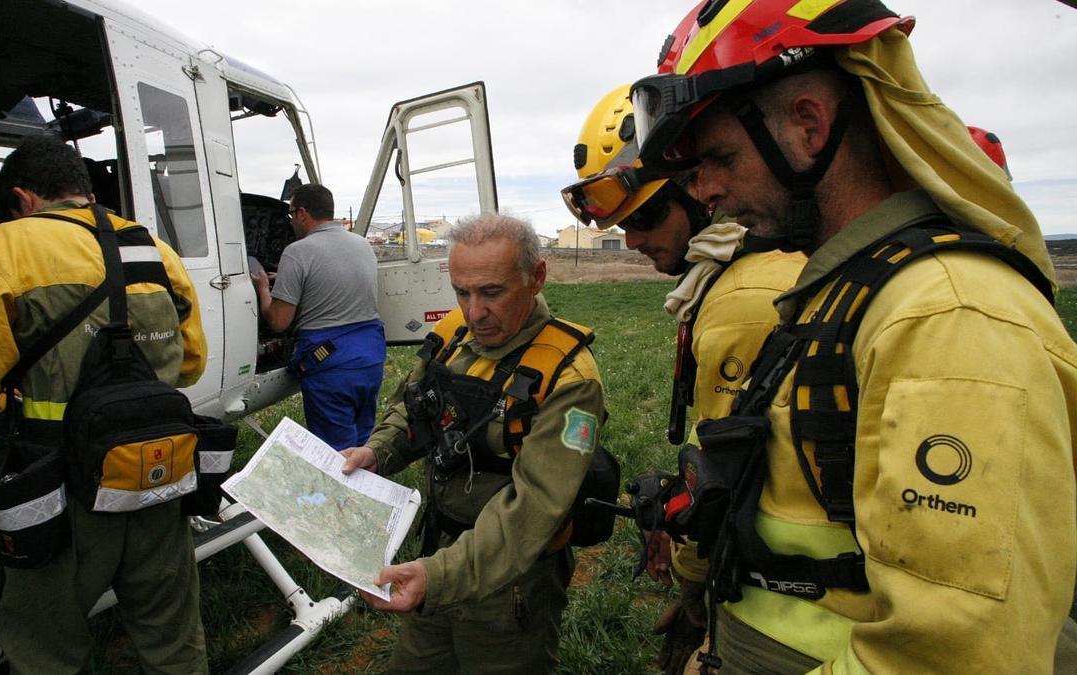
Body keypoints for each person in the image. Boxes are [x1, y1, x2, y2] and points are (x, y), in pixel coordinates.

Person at [628, 0, 1076, 672]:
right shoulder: (848, 290)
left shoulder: (948, 315)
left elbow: (956, 654)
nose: (708, 190)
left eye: (718, 157)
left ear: (809, 124)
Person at [0, 133, 209, 673]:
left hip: (61, 484)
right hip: (157, 473)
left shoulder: (7, 245)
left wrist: (3, 395)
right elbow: (191, 363)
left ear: (25, 198)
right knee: (171, 634)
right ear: (82, 187)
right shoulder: (152, 247)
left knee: (46, 644)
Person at [562, 84, 806, 672]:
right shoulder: (749, 273)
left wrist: (692, 590)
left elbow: (724, 480)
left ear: (700, 188)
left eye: (645, 215)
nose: (635, 240)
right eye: (622, 225)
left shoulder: (743, 298)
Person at [340, 213, 606, 672]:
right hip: (440, 552)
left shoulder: (568, 378)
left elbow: (534, 508)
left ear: (536, 277)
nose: (474, 312)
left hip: (512, 580)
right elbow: (414, 406)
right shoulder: (452, 336)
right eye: (462, 292)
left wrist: (436, 576)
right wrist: (377, 451)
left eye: (492, 292)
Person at [251, 184, 384, 451]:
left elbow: (278, 321)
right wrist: (289, 280)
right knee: (362, 445)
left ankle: (341, 492)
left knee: (336, 455)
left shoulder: (298, 252)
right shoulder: (361, 244)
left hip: (331, 365)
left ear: (302, 213)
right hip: (370, 357)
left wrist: (264, 290)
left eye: (290, 215)